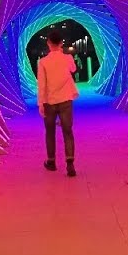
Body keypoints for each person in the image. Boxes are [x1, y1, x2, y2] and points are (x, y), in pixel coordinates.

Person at [37, 31, 79, 177]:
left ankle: (51, 161)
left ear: (48, 43)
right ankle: (70, 164)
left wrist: (41, 103)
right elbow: (73, 69)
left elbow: (41, 85)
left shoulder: (43, 62)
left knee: (50, 132)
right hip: (65, 99)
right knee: (68, 131)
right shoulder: (67, 58)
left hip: (50, 101)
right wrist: (64, 52)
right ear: (61, 43)